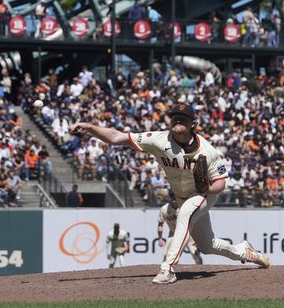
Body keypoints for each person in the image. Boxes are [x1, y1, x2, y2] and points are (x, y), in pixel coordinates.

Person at [70, 102, 269, 285]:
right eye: (174, 117)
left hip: (204, 193)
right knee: (208, 246)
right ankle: (244, 251)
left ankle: (168, 269)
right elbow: (117, 137)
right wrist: (90, 128)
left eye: (182, 118)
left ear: (193, 124)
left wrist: (206, 189)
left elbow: (221, 184)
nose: (177, 120)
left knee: (184, 214)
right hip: (183, 196)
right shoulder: (159, 139)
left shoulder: (207, 150)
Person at [157, 191, 203, 265]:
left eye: (175, 196)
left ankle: (201, 269)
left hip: (188, 233)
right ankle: (165, 272)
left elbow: (196, 220)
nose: (174, 198)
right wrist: (160, 238)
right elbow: (160, 224)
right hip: (173, 233)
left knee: (195, 254)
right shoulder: (164, 209)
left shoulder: (184, 207)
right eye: (172, 195)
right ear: (169, 197)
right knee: (166, 254)